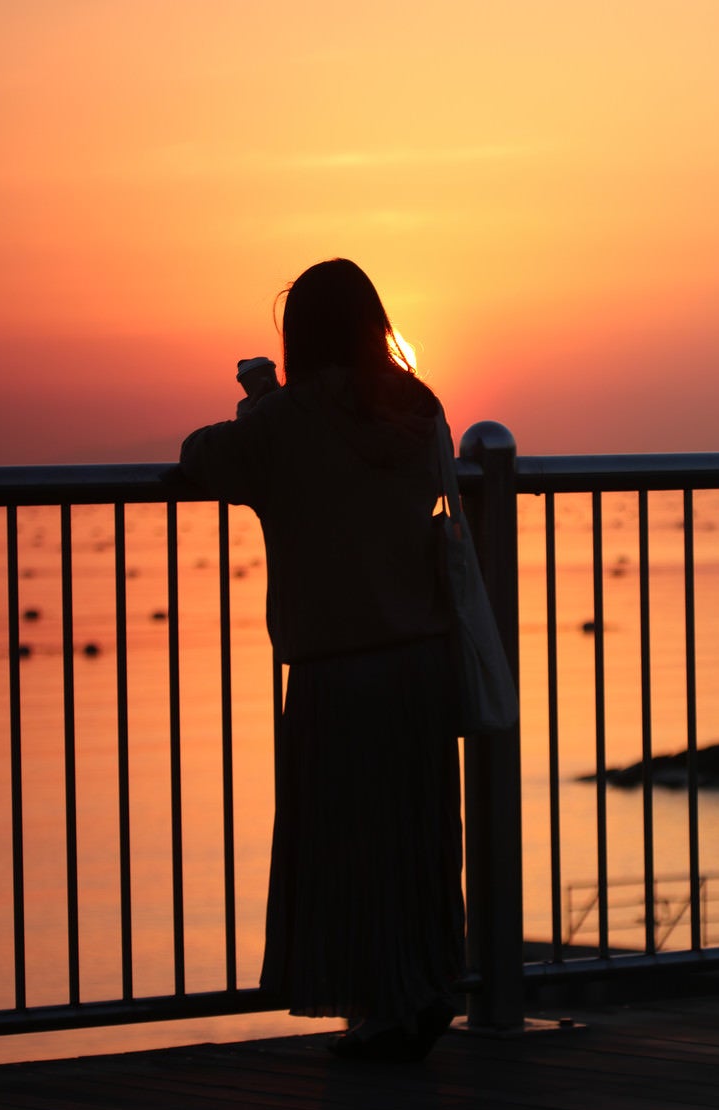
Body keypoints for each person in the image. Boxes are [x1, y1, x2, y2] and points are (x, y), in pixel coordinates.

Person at [179, 258, 465, 1061]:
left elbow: (205, 456)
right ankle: (427, 985)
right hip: (420, 658)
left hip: (336, 664)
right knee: (417, 840)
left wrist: (263, 400)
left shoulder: (284, 421)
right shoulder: (420, 407)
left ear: (298, 337)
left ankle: (378, 1009)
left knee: (348, 844)